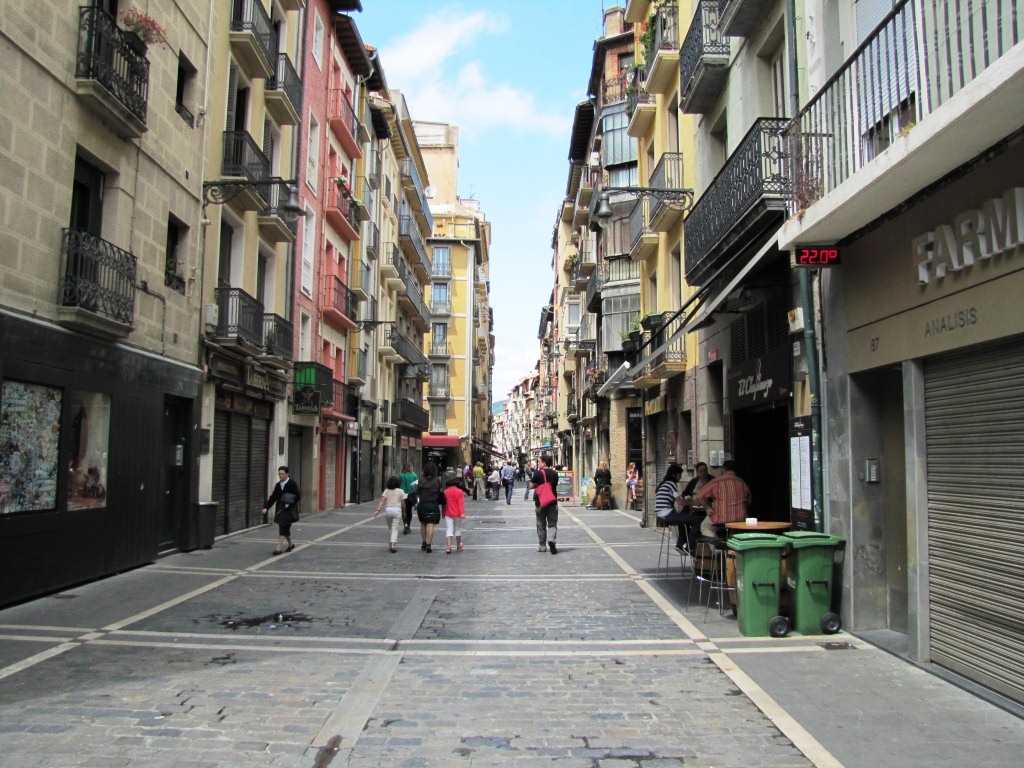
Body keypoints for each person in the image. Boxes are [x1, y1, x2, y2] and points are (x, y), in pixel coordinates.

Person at [695, 460, 752, 538]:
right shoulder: (742, 482)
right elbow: (749, 501)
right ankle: (732, 542)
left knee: (704, 526)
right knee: (736, 529)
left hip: (721, 519)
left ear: (723, 469)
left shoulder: (716, 482)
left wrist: (707, 508)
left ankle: (716, 544)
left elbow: (700, 496)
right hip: (740, 519)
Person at [653, 464, 703, 552]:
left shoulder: (664, 484)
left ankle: (680, 545)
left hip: (661, 514)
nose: (680, 478)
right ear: (674, 475)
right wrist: (693, 503)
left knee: (683, 521)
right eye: (679, 475)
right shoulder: (671, 484)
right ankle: (690, 547)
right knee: (696, 521)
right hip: (667, 513)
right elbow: (680, 502)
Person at [260, 465, 301, 556]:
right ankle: (291, 544)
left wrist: (290, 501)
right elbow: (273, 497)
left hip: (290, 509)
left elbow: (298, 496)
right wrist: (266, 507)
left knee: (283, 527)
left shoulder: (292, 483)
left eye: (282, 474)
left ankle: (278, 548)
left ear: (287, 474)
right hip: (281, 509)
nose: (280, 476)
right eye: (279, 474)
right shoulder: (278, 485)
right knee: (284, 527)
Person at [529, 453, 559, 554]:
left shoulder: (537, 473)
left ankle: (542, 546)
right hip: (552, 502)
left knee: (541, 524)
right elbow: (554, 485)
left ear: (544, 463)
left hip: (540, 502)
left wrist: (538, 485)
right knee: (552, 523)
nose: (538, 463)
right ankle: (551, 539)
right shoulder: (555, 474)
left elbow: (531, 486)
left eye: (539, 462)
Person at [415, 462, 446, 553]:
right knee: (431, 524)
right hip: (433, 504)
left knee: (423, 523)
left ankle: (424, 542)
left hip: (423, 504)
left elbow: (417, 491)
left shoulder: (421, 479)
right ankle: (429, 544)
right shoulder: (437, 480)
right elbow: (440, 490)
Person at [373, 475, 406, 553]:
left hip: (388, 511)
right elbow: (403, 503)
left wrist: (378, 510)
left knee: (390, 527)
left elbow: (382, 500)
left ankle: (391, 541)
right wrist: (404, 512)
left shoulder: (386, 490)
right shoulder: (401, 491)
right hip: (397, 510)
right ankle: (393, 544)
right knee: (395, 528)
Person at [442, 476, 471, 553]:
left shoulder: (445, 491)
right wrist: (462, 513)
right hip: (458, 513)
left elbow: (444, 504)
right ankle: (458, 546)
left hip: (448, 512)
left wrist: (443, 513)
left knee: (449, 529)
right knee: (457, 529)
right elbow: (460, 503)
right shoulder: (460, 492)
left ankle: (448, 547)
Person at [398, 462, 419, 535]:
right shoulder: (414, 475)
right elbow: (416, 484)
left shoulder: (401, 475)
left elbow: (398, 484)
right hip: (411, 494)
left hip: (402, 494)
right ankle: (408, 525)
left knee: (403, 510)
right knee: (409, 511)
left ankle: (405, 524)